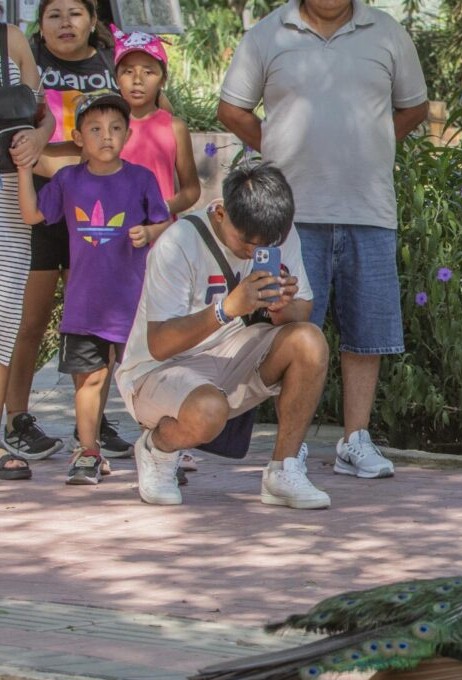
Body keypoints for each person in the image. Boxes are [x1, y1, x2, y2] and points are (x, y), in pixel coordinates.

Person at [217, 0, 428, 481]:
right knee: (291, 328)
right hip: (290, 216)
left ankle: (356, 440)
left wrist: (376, 143)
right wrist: (273, 144)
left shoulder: (388, 33)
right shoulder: (268, 33)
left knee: (367, 334)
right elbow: (232, 108)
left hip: (368, 208)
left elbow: (413, 107)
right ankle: (292, 448)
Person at [115, 162, 331, 509]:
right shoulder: (179, 242)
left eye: (268, 243)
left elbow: (301, 314)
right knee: (208, 410)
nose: (254, 251)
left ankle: (283, 470)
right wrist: (226, 309)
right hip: (157, 369)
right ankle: (158, 449)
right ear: (220, 213)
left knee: (309, 340)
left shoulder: (278, 232)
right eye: (247, 242)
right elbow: (159, 344)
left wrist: (281, 307)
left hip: (230, 355)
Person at [14, 90, 171, 484]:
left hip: (133, 305)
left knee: (145, 380)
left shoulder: (141, 179)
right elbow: (33, 213)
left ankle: (163, 452)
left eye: (116, 128)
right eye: (96, 129)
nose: (106, 136)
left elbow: (167, 222)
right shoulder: (68, 180)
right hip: (84, 304)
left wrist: (150, 230)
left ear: (127, 134)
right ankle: (87, 452)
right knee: (91, 379)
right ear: (78, 137)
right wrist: (22, 170)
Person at [5, 0, 124, 462]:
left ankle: (91, 421)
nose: (65, 23)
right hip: (39, 208)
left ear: (93, 20)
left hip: (97, 214)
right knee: (27, 320)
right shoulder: (26, 59)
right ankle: (17, 418)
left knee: (93, 324)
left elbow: (149, 118)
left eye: (75, 13)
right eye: (54, 14)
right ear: (41, 23)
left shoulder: (112, 66)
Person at [0, 22, 56, 481]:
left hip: (5, 190)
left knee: (2, 318)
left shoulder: (10, 38)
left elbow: (41, 112)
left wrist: (37, 141)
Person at [110, 27, 199, 216]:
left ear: (163, 80)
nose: (137, 80)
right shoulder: (105, 128)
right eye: (128, 71)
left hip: (160, 235)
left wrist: (162, 208)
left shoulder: (175, 128)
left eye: (148, 72)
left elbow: (191, 190)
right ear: (116, 78)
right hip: (114, 233)